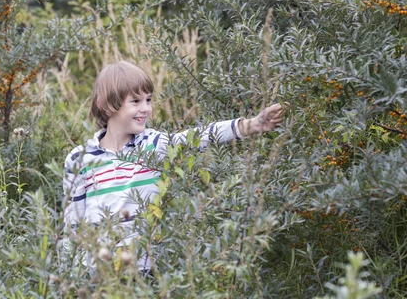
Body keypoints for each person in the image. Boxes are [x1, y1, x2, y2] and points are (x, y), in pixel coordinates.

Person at [62, 61, 284, 270]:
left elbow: (200, 136)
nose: (146, 109)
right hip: (99, 276)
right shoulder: (79, 160)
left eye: (148, 100)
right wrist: (69, 281)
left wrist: (251, 125)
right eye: (136, 101)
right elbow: (73, 225)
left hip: (147, 272)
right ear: (106, 105)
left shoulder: (155, 145)